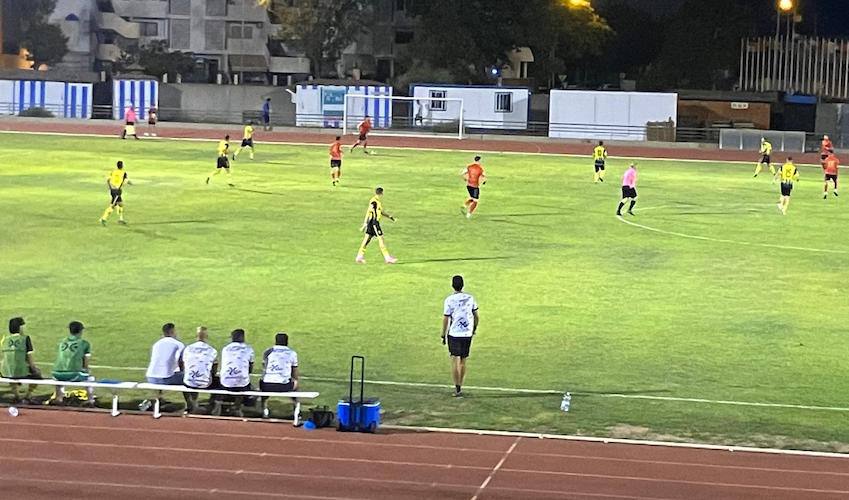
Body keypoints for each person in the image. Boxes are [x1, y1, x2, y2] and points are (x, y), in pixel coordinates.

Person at [441, 275, 479, 398]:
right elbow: (476, 316)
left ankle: (457, 388)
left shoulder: (449, 300)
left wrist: (443, 334)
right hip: (467, 333)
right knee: (463, 360)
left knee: (454, 360)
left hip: (454, 333)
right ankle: (460, 385)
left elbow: (446, 318)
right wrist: (473, 329)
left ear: (453, 285)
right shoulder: (470, 298)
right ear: (463, 285)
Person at [142, 323, 187, 409]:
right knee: (188, 378)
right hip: (165, 378)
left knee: (162, 372)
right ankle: (190, 404)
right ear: (172, 331)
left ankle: (157, 400)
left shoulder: (156, 344)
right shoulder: (178, 344)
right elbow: (181, 362)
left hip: (150, 376)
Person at [51, 321, 94, 406]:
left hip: (56, 374)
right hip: (73, 375)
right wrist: (86, 370)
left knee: (61, 375)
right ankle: (90, 400)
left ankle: (59, 398)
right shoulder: (84, 343)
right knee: (90, 378)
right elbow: (86, 364)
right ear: (81, 331)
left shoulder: (62, 342)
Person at [215, 329, 255, 417]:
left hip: (225, 382)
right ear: (243, 337)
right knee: (244, 382)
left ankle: (218, 405)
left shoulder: (225, 349)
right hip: (242, 384)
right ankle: (237, 407)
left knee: (224, 380)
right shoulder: (248, 349)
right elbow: (250, 369)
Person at [1, 317, 41, 403]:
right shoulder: (25, 339)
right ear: (20, 327)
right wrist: (34, 370)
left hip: (5, 372)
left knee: (11, 370)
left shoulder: (4, 339)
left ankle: (17, 396)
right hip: (20, 372)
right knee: (37, 374)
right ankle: (28, 395)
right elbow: (30, 358)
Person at [259, 332, 299, 419]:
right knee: (295, 382)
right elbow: (294, 371)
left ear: (275, 341)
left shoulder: (268, 352)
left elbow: (264, 368)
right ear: (287, 342)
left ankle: (264, 409)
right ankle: (296, 408)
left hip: (267, 386)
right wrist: (295, 381)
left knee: (262, 381)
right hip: (284, 386)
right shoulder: (292, 353)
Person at [180, 326, 218, 414]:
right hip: (205, 383)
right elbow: (214, 370)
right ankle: (212, 405)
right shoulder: (212, 350)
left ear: (196, 336)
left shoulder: (188, 348)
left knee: (188, 376)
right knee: (220, 382)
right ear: (207, 336)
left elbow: (183, 365)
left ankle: (190, 403)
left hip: (188, 382)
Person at [356, 187, 397, 264]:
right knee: (381, 239)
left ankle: (359, 256)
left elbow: (381, 212)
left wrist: (390, 217)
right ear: (381, 193)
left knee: (367, 239)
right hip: (374, 223)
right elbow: (369, 211)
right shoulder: (374, 201)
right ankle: (387, 258)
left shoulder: (377, 202)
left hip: (372, 223)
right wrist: (365, 223)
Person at [100, 160, 131, 226]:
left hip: (112, 190)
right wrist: (128, 184)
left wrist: (110, 188)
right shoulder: (124, 173)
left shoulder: (113, 172)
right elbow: (126, 181)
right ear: (122, 166)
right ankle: (103, 218)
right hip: (117, 191)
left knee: (120, 204)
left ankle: (121, 219)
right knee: (112, 206)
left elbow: (108, 180)